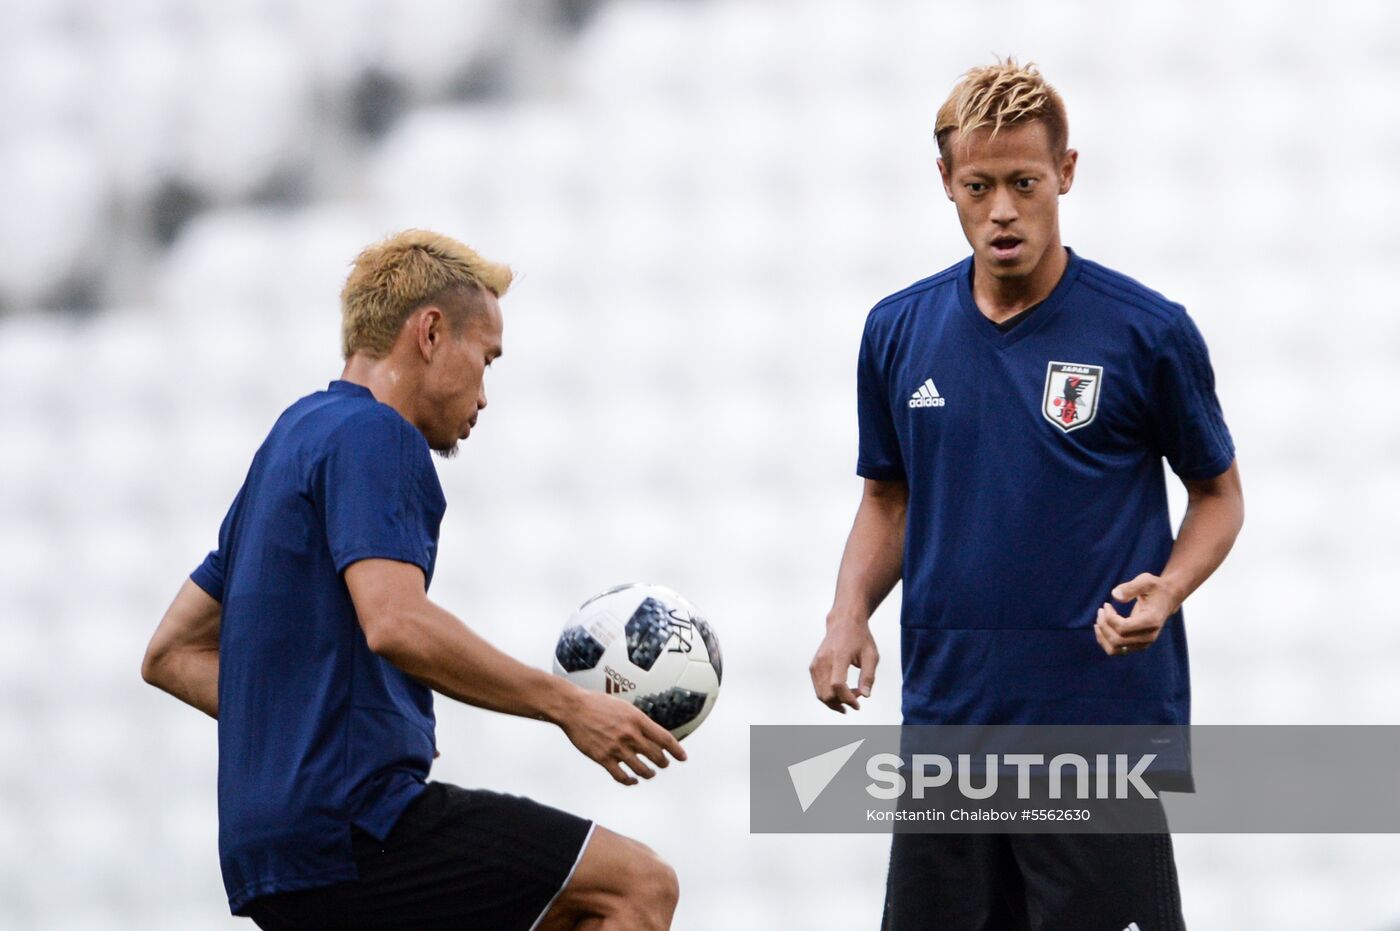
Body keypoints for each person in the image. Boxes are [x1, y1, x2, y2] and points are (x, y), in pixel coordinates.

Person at [142, 230, 684, 931]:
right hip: (354, 823)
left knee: (555, 909)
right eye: (485, 358)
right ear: (430, 333)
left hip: (268, 851)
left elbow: (171, 652)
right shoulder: (379, 435)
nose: (485, 395)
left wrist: (318, 722)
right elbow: (395, 620)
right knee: (637, 886)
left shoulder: (291, 439)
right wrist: (568, 705)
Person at [808, 59, 1244, 929]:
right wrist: (847, 613)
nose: (1002, 208)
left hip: (1094, 733)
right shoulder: (897, 330)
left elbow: (1219, 495)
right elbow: (887, 497)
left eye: (1024, 183)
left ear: (1066, 175)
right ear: (947, 183)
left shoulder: (1146, 330)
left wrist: (1171, 585)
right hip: (947, 728)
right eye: (979, 185)